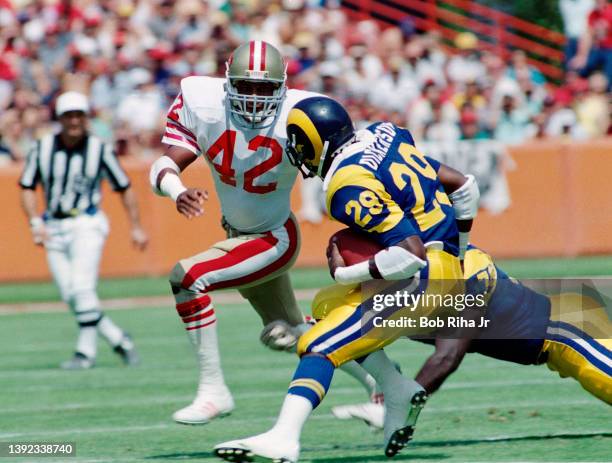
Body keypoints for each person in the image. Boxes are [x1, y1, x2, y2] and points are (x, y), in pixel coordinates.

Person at [214, 96, 480, 462]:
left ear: (317, 144)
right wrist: (458, 256)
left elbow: (410, 254)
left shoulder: (346, 184)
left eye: (301, 146)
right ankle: (396, 387)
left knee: (318, 345)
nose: (299, 155)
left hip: (421, 279)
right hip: (441, 267)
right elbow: (465, 188)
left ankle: (284, 438)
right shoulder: (385, 135)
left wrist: (347, 272)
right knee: (326, 305)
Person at [149, 40, 329, 425]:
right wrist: (177, 191)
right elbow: (164, 163)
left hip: (274, 238)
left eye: (265, 88)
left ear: (282, 87)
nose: (254, 97)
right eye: (246, 86)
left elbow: (341, 171)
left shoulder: (303, 114)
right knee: (296, 334)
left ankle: (213, 391)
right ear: (228, 81)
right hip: (239, 234)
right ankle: (386, 384)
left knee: (188, 277)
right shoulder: (202, 100)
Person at [316, 237, 611, 428]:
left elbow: (448, 357)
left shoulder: (460, 276)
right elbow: (336, 330)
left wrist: (397, 407)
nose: (359, 290)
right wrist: (299, 331)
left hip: (568, 329)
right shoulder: (393, 292)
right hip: (547, 342)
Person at [19, 91, 148, 370]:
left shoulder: (98, 149)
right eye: (69, 115)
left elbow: (124, 188)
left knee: (81, 288)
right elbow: (27, 186)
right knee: (69, 293)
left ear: (86, 117)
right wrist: (34, 222)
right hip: (53, 224)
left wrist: (136, 226)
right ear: (59, 119)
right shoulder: (42, 148)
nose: (74, 121)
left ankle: (85, 353)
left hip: (86, 222)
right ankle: (119, 339)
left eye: (79, 115)